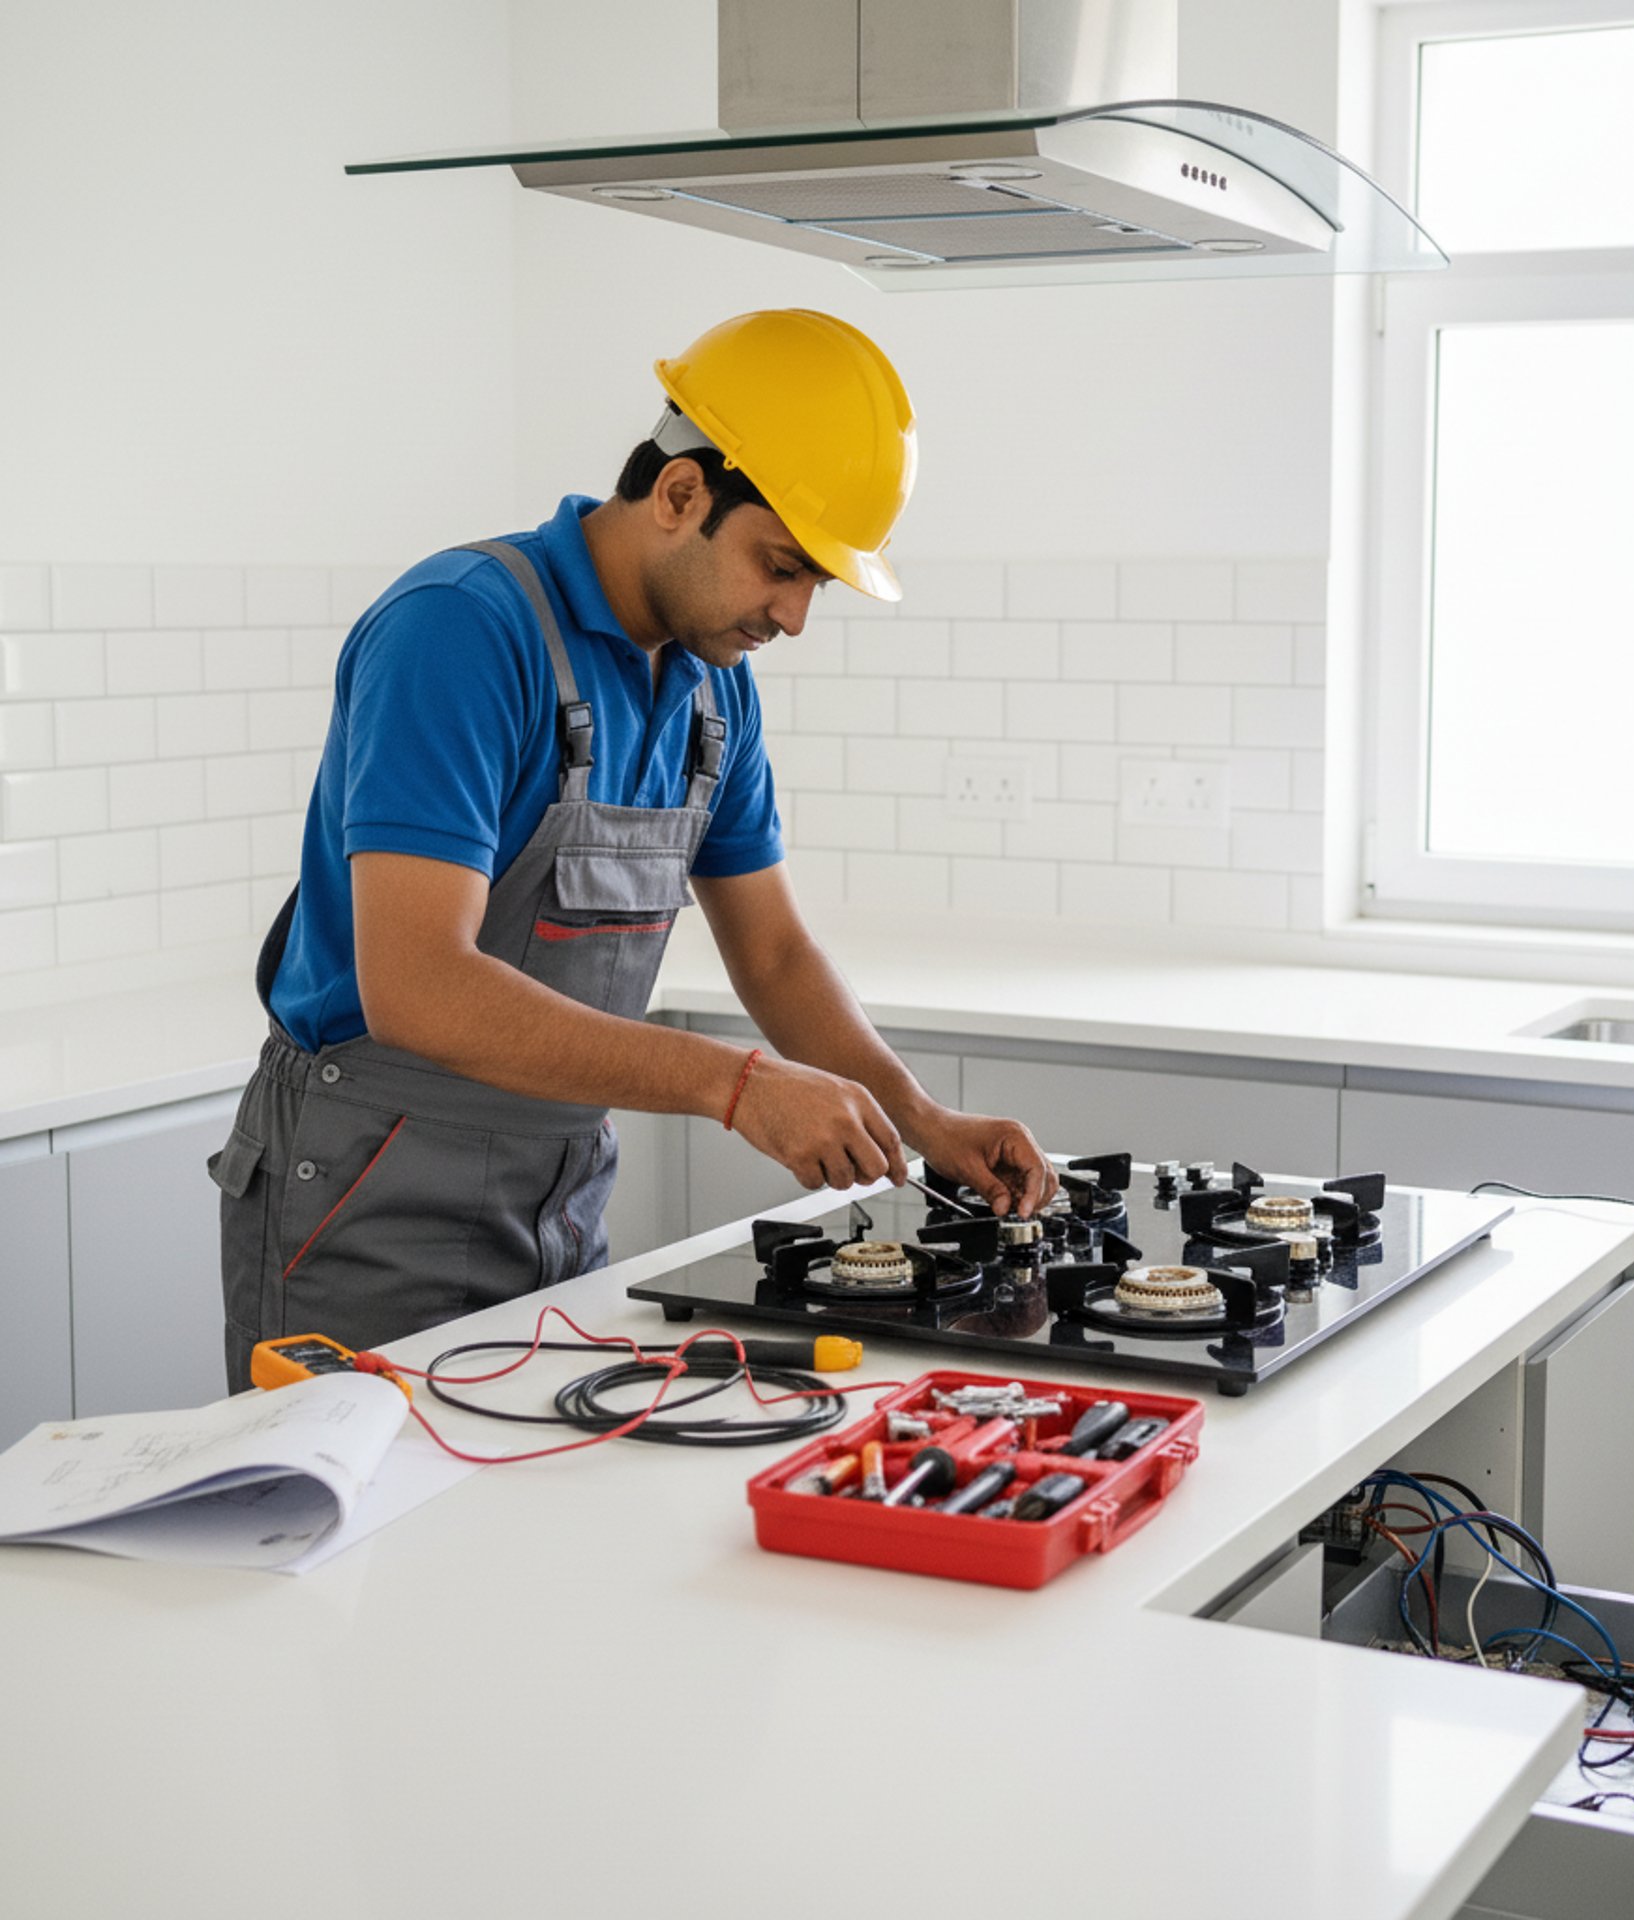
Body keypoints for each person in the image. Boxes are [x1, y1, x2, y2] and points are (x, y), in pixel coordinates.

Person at [211, 308, 1058, 1391]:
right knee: (355, 1543)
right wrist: (739, 1085)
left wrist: (919, 1116)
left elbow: (776, 956)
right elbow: (417, 984)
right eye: (781, 567)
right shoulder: (462, 630)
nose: (794, 617)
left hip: (558, 1200)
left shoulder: (715, 694)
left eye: (817, 586)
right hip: (368, 1192)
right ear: (679, 494)